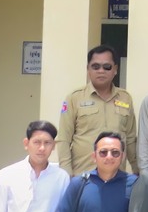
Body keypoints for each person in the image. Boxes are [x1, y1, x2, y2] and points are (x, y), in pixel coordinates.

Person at [56, 47, 136, 176]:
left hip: (116, 176)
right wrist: (66, 173)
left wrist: (137, 170)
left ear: (115, 69)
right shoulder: (74, 98)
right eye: (95, 66)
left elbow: (131, 139)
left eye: (107, 67)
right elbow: (64, 139)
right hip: (83, 175)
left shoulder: (125, 98)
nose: (101, 71)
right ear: (88, 69)